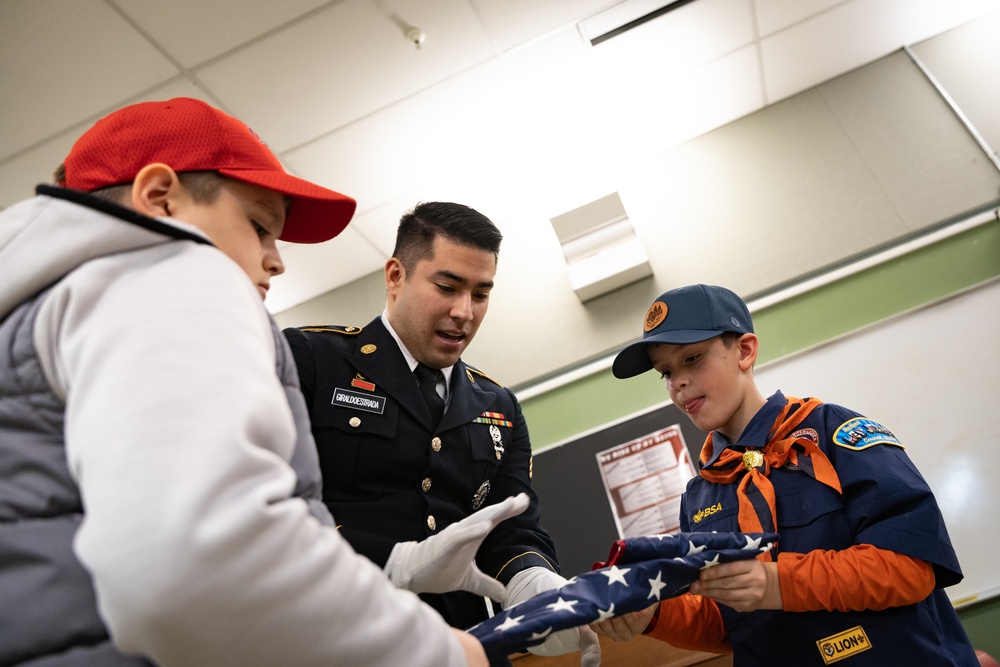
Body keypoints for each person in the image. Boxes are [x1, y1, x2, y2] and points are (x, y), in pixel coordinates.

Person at [0, 97, 493, 666]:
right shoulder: (167, 272)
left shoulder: (43, 313)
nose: (275, 259)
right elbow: (198, 561)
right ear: (159, 199)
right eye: (260, 226)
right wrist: (434, 653)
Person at [592, 283, 979, 666]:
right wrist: (655, 615)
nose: (677, 383)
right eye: (665, 372)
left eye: (692, 359)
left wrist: (777, 583)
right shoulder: (700, 496)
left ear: (744, 351)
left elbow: (910, 566)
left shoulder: (832, 433)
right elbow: (730, 622)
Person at [284, 202, 600, 666]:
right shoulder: (313, 359)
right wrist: (395, 564)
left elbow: (512, 531)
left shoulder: (498, 406)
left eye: (481, 294)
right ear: (396, 276)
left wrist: (537, 587)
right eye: (447, 287)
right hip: (344, 641)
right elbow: (276, 504)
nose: (463, 311)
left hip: (465, 648)